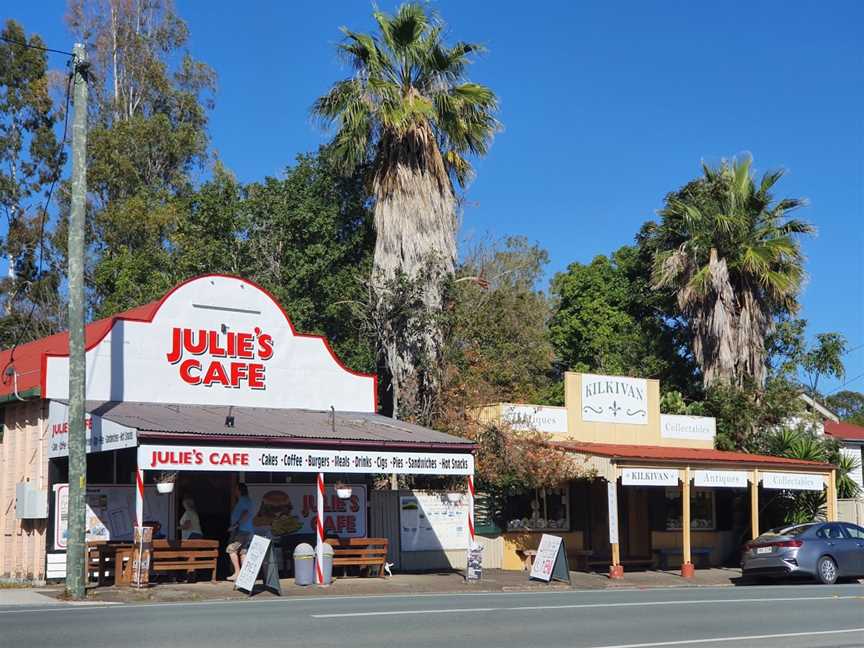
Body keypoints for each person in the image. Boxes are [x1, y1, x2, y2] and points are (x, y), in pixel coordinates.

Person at [226, 482, 254, 581]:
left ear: (239, 490)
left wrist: (236, 525)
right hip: (249, 530)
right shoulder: (248, 500)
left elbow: (245, 513)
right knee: (243, 551)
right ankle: (244, 575)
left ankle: (237, 573)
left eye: (235, 489)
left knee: (231, 549)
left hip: (242, 530)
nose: (234, 491)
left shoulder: (243, 500)